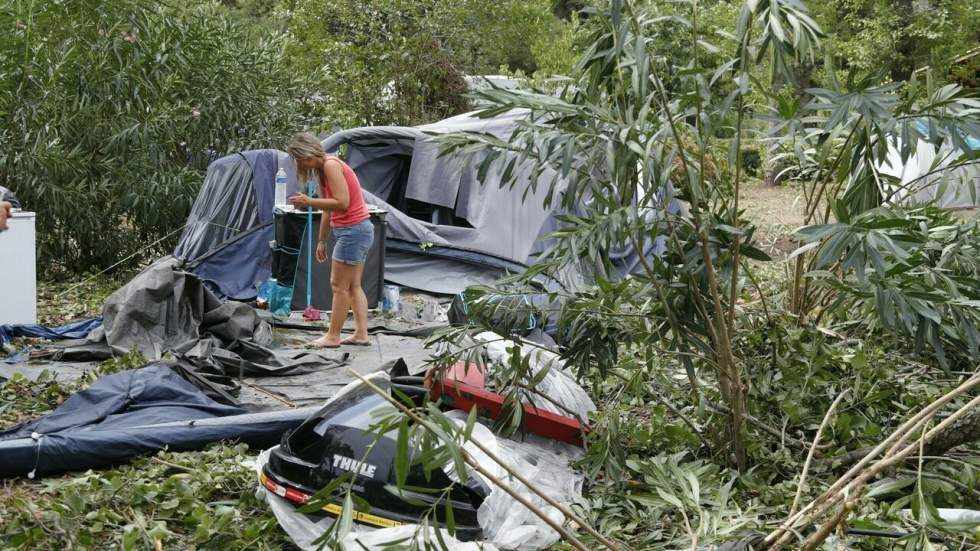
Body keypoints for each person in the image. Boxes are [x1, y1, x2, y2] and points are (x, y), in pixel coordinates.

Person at [287, 132, 374, 348]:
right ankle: (361, 334)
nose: (299, 164)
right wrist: (322, 240)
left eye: (299, 160)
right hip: (357, 230)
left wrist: (309, 202)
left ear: (306, 155)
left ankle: (333, 336)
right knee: (353, 285)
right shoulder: (322, 170)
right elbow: (329, 208)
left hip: (353, 231)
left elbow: (342, 202)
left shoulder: (330, 165)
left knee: (339, 286)